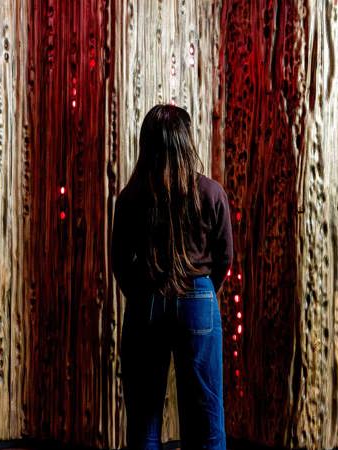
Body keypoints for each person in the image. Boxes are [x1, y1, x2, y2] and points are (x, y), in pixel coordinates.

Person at [111, 103, 234, 450]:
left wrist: (143, 295)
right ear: (186, 142)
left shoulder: (130, 197)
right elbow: (224, 256)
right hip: (199, 301)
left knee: (144, 418)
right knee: (206, 417)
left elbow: (120, 262)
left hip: (146, 300)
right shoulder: (212, 193)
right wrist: (202, 291)